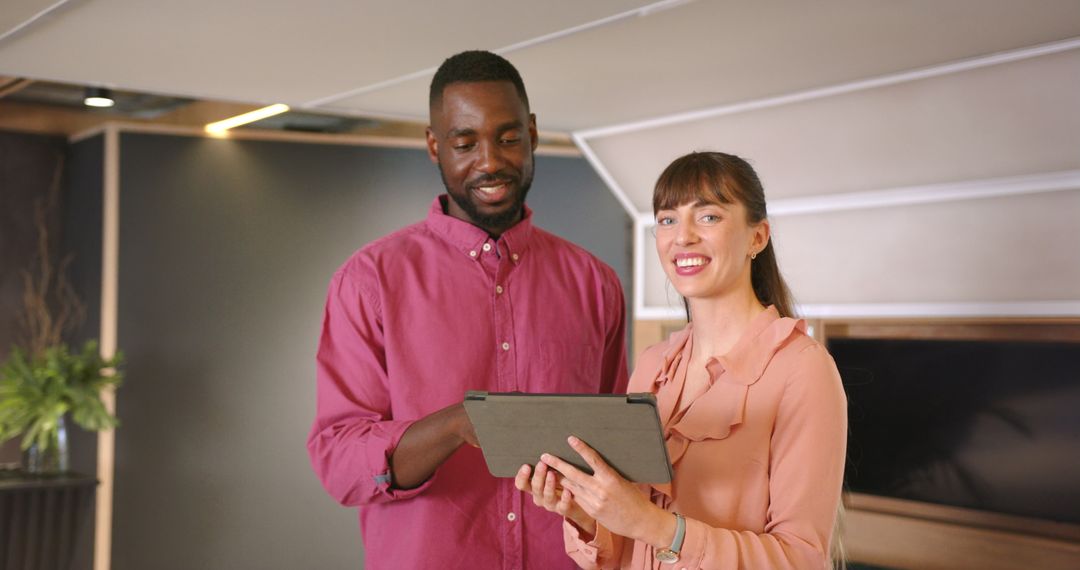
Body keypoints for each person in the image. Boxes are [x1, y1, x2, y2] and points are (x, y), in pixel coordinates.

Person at [306, 50, 629, 570]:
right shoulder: (368, 282)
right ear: (435, 146)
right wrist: (457, 424)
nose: (490, 161)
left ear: (533, 133)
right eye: (464, 143)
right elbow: (341, 462)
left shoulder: (594, 283)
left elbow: (617, 455)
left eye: (507, 138)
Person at [517, 151, 847, 569]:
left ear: (757, 237)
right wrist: (586, 511)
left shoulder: (803, 369)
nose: (682, 236)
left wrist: (656, 526)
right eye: (668, 219)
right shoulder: (653, 366)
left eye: (708, 217)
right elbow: (626, 547)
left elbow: (801, 560)